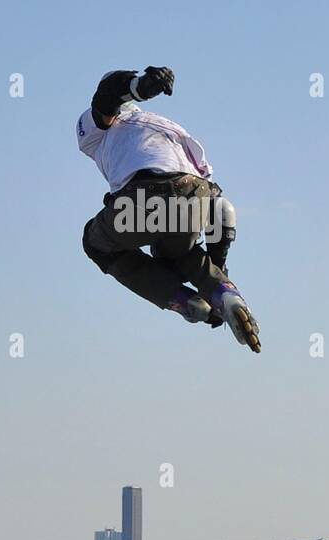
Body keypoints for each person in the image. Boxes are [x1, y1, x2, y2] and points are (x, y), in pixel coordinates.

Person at [77, 66, 261, 352]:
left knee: (95, 243)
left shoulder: (100, 129)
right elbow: (222, 210)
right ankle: (226, 293)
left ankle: (181, 300)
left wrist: (140, 85)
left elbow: (105, 98)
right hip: (196, 193)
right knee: (180, 254)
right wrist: (217, 274)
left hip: (140, 201)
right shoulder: (171, 128)